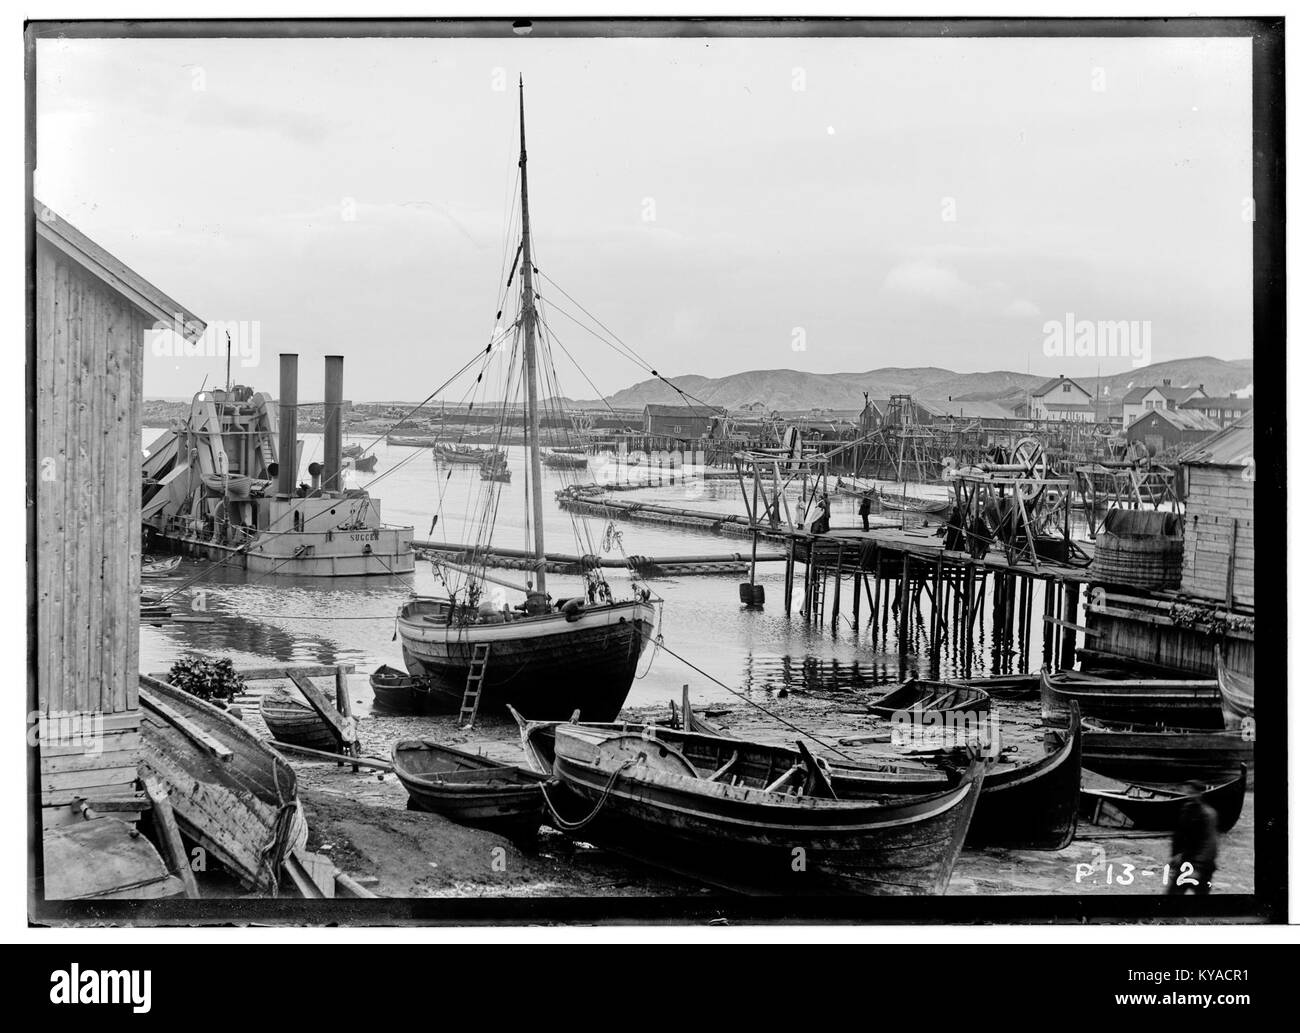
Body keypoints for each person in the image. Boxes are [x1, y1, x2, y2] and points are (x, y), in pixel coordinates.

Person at [1167, 783, 1218, 896]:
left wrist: (1197, 867)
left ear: (1200, 793)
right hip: (1185, 862)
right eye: (1188, 792)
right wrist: (1175, 855)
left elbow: (1210, 844)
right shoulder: (1186, 809)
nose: (1189, 795)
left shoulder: (1208, 814)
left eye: (1192, 792)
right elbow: (1179, 835)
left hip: (1201, 867)